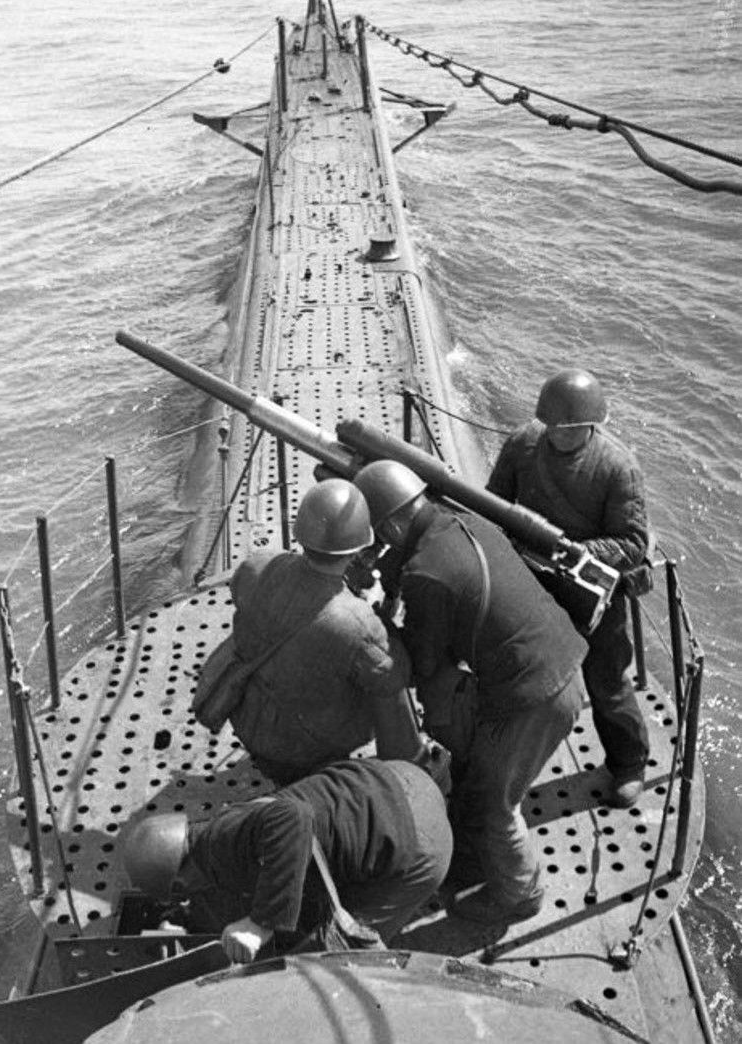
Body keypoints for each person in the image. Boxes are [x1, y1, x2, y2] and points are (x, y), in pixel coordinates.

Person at [353, 460, 586, 927]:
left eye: (378, 534)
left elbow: (421, 663)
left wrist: (375, 619)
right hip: (558, 663)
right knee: (479, 775)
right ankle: (475, 857)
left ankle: (520, 895)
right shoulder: (464, 521)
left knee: (495, 804)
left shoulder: (427, 573)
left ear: (392, 526)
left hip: (533, 697)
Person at [487, 368, 650, 809]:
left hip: (592, 589)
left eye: (567, 428)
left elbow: (633, 543)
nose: (556, 434)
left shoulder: (617, 467)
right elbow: (494, 504)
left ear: (589, 425)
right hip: (532, 575)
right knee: (513, 664)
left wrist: (575, 552)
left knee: (607, 681)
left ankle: (629, 763)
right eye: (551, 426)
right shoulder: (523, 445)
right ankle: (506, 755)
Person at [123, 757, 453, 961]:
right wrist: (187, 922)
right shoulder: (216, 831)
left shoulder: (223, 845)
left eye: (179, 890)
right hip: (402, 779)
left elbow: (292, 815)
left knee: (341, 954)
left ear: (181, 878)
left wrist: (260, 924)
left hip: (419, 842)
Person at [227, 478, 422, 785]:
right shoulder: (357, 624)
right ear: (358, 548)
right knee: (385, 678)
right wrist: (376, 616)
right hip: (305, 752)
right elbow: (395, 676)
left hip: (247, 719)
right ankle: (408, 769)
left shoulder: (257, 565)